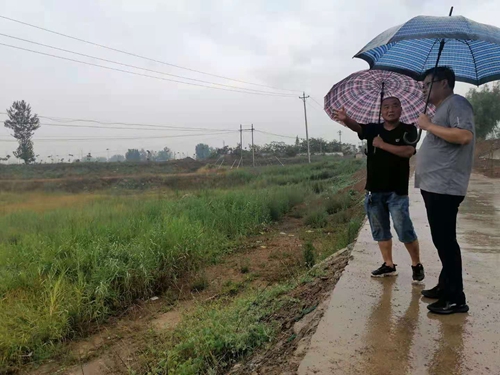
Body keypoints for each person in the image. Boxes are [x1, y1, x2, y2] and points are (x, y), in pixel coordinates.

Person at [333, 97, 424, 282]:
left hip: (397, 191)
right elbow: (358, 128)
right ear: (381, 110)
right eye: (386, 107)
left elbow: (408, 151)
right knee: (380, 230)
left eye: (394, 106)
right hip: (374, 191)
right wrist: (345, 119)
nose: (390, 110)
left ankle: (416, 264)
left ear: (401, 109)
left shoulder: (409, 129)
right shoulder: (373, 129)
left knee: (404, 229)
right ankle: (388, 264)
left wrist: (382, 145)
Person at [416, 66, 475, 315]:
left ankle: (456, 298)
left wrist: (429, 126)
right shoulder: (441, 108)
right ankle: (444, 285)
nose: (423, 89)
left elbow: (464, 136)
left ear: (444, 83)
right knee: (441, 239)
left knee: (445, 241)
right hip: (434, 185)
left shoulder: (457, 103)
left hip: (445, 186)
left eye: (427, 84)